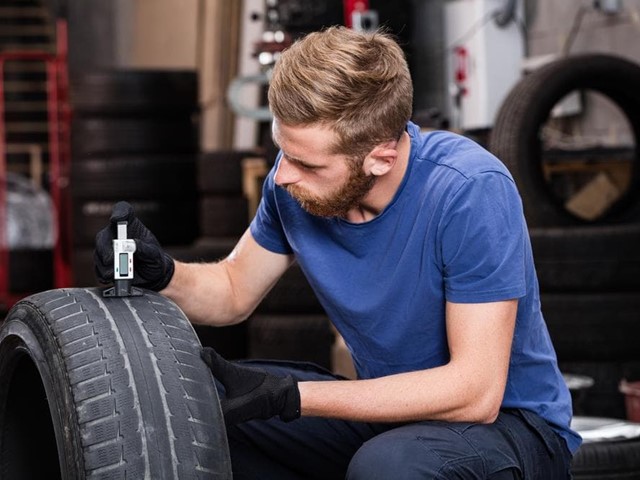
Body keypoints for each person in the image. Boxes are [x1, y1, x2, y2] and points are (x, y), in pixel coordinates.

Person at [95, 26, 581, 479]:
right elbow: (232, 292)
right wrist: (162, 274)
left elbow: (475, 395)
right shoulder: (294, 188)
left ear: (381, 157)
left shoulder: (469, 190)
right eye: (281, 151)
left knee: (392, 466)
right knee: (199, 404)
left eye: (307, 162)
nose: (283, 175)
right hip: (393, 412)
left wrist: (294, 397)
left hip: (513, 427)